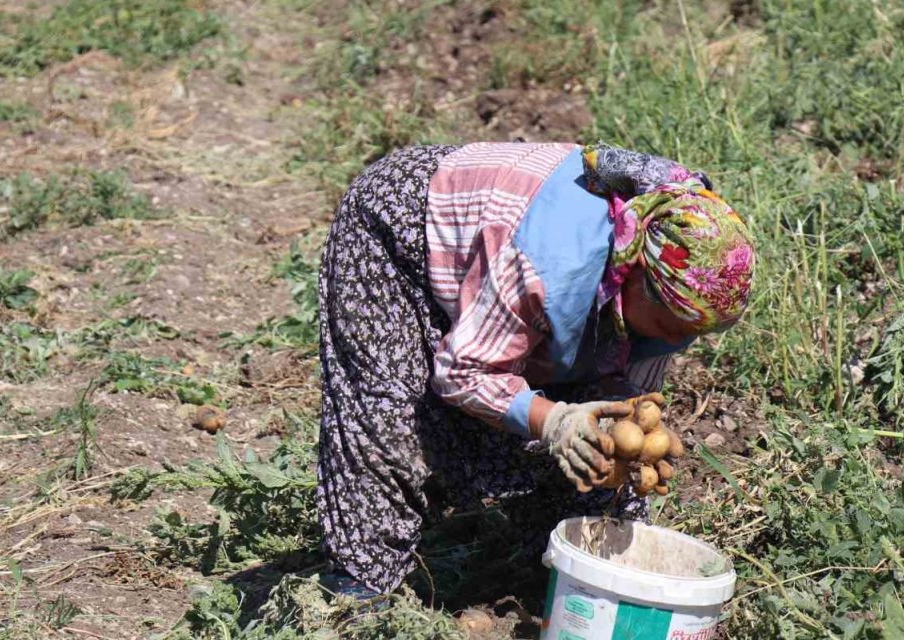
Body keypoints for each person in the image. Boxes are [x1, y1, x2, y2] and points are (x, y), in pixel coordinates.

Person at [314, 142, 754, 598]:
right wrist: (555, 421)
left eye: (695, 331)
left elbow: (623, 397)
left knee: (591, 439)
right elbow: (463, 372)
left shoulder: (674, 286)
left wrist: (626, 441)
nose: (677, 339)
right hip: (401, 226)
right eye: (672, 324)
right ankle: (360, 587)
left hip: (516, 254)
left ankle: (558, 571)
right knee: (388, 411)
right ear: (636, 270)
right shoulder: (549, 264)